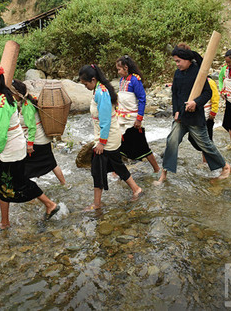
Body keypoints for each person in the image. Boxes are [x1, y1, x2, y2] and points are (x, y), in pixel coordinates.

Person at [0, 67, 60, 229]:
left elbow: (2, 133)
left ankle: (5, 222)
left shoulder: (2, 103)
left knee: (2, 184)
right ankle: (49, 204)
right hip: (17, 147)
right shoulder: (7, 98)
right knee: (20, 181)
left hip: (9, 150)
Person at [155, 46, 230, 185]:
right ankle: (164, 174)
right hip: (181, 117)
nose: (177, 64)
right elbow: (175, 94)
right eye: (175, 61)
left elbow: (208, 93)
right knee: (171, 141)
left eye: (179, 61)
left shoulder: (198, 72)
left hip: (195, 117)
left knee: (205, 145)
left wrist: (195, 103)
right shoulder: (177, 74)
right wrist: (176, 111)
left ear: (187, 60)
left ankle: (225, 167)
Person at [78, 64, 143, 209]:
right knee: (116, 165)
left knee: (97, 170)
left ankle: (97, 204)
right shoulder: (99, 89)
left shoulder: (102, 93)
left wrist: (101, 142)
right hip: (106, 137)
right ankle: (136, 189)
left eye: (85, 83)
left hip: (107, 139)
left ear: (93, 80)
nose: (85, 86)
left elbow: (105, 120)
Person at [11, 79, 67, 185]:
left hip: (37, 142)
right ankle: (64, 183)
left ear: (17, 93)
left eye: (11, 93)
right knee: (52, 163)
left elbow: (32, 127)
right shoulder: (28, 101)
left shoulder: (27, 106)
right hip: (43, 139)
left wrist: (30, 144)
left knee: (24, 168)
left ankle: (29, 192)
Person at [114, 56, 160, 174]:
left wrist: (139, 118)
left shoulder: (135, 80)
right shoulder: (121, 81)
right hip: (122, 119)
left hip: (132, 120)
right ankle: (117, 172)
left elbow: (142, 99)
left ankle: (157, 169)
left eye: (119, 69)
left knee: (142, 146)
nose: (118, 72)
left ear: (126, 68)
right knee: (120, 145)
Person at [188, 75, 219, 164]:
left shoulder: (210, 82)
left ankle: (207, 161)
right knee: (193, 138)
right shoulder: (195, 82)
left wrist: (213, 113)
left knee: (206, 140)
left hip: (207, 115)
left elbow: (215, 98)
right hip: (197, 116)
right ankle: (210, 159)